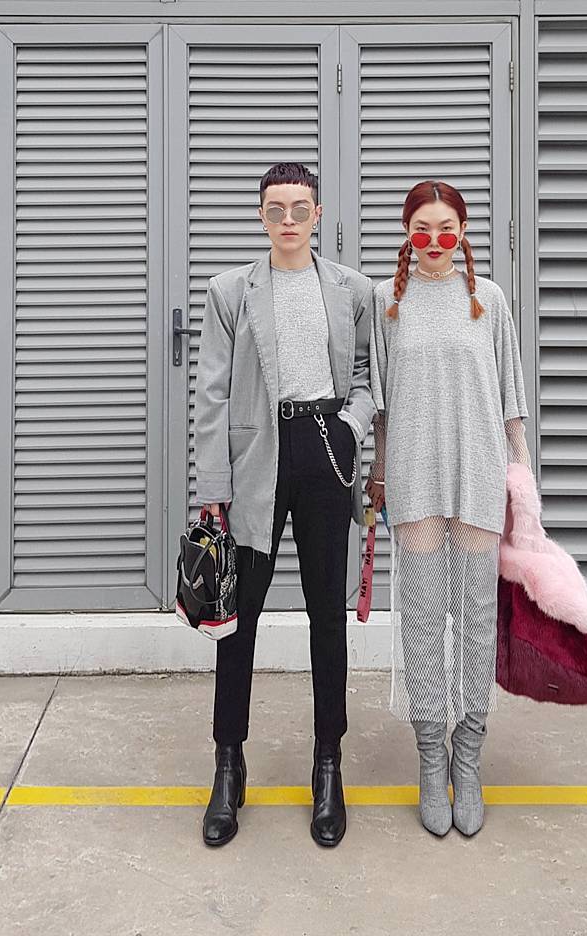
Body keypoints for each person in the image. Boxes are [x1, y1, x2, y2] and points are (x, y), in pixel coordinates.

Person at [193, 161, 375, 848]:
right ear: (262, 216)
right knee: (236, 620)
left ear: (318, 214)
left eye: (300, 209)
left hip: (326, 449)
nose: (289, 221)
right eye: (276, 209)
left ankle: (328, 766)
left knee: (327, 617)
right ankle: (228, 764)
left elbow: (367, 374)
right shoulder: (229, 291)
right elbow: (212, 393)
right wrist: (214, 487)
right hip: (257, 459)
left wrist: (351, 426)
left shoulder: (353, 289)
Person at [367, 180, 530, 838]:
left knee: (476, 623)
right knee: (423, 623)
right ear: (407, 235)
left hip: (479, 475)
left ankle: (469, 756)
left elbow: (511, 401)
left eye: (446, 229)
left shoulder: (488, 300)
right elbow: (380, 407)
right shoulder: (386, 302)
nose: (434, 241)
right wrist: (376, 477)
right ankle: (431, 758)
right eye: (422, 229)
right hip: (415, 478)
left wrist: (523, 481)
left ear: (462, 234)